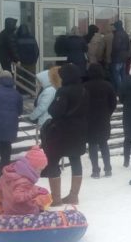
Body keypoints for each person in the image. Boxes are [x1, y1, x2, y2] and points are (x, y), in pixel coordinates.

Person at [43, 64, 89, 206]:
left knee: (53, 160)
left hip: (61, 131)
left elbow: (55, 111)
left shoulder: (63, 91)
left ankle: (56, 199)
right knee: (75, 159)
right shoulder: (84, 90)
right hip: (79, 131)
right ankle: (74, 196)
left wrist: (52, 107)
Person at [0, 146, 49, 216]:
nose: (39, 173)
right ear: (31, 167)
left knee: (37, 205)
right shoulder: (24, 181)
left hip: (8, 209)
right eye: (39, 169)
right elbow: (18, 197)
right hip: (23, 211)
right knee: (39, 208)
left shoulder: (8, 174)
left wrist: (4, 201)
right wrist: (35, 192)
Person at [85, 63, 117, 178]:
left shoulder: (85, 86)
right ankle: (108, 169)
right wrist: (108, 113)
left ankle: (95, 170)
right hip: (104, 119)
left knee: (92, 145)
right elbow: (113, 102)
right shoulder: (108, 85)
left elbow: (82, 103)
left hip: (90, 120)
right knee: (104, 144)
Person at [29, 67, 61, 132]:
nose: (38, 83)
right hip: (47, 120)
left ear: (45, 80)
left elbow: (42, 107)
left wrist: (32, 116)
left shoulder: (49, 91)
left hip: (46, 121)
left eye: (40, 81)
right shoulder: (50, 89)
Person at [110, 20, 131, 90]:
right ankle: (124, 89)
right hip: (124, 57)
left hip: (117, 58)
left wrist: (112, 55)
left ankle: (120, 90)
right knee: (122, 74)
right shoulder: (125, 33)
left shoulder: (117, 34)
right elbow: (128, 46)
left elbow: (115, 47)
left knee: (116, 75)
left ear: (116, 26)